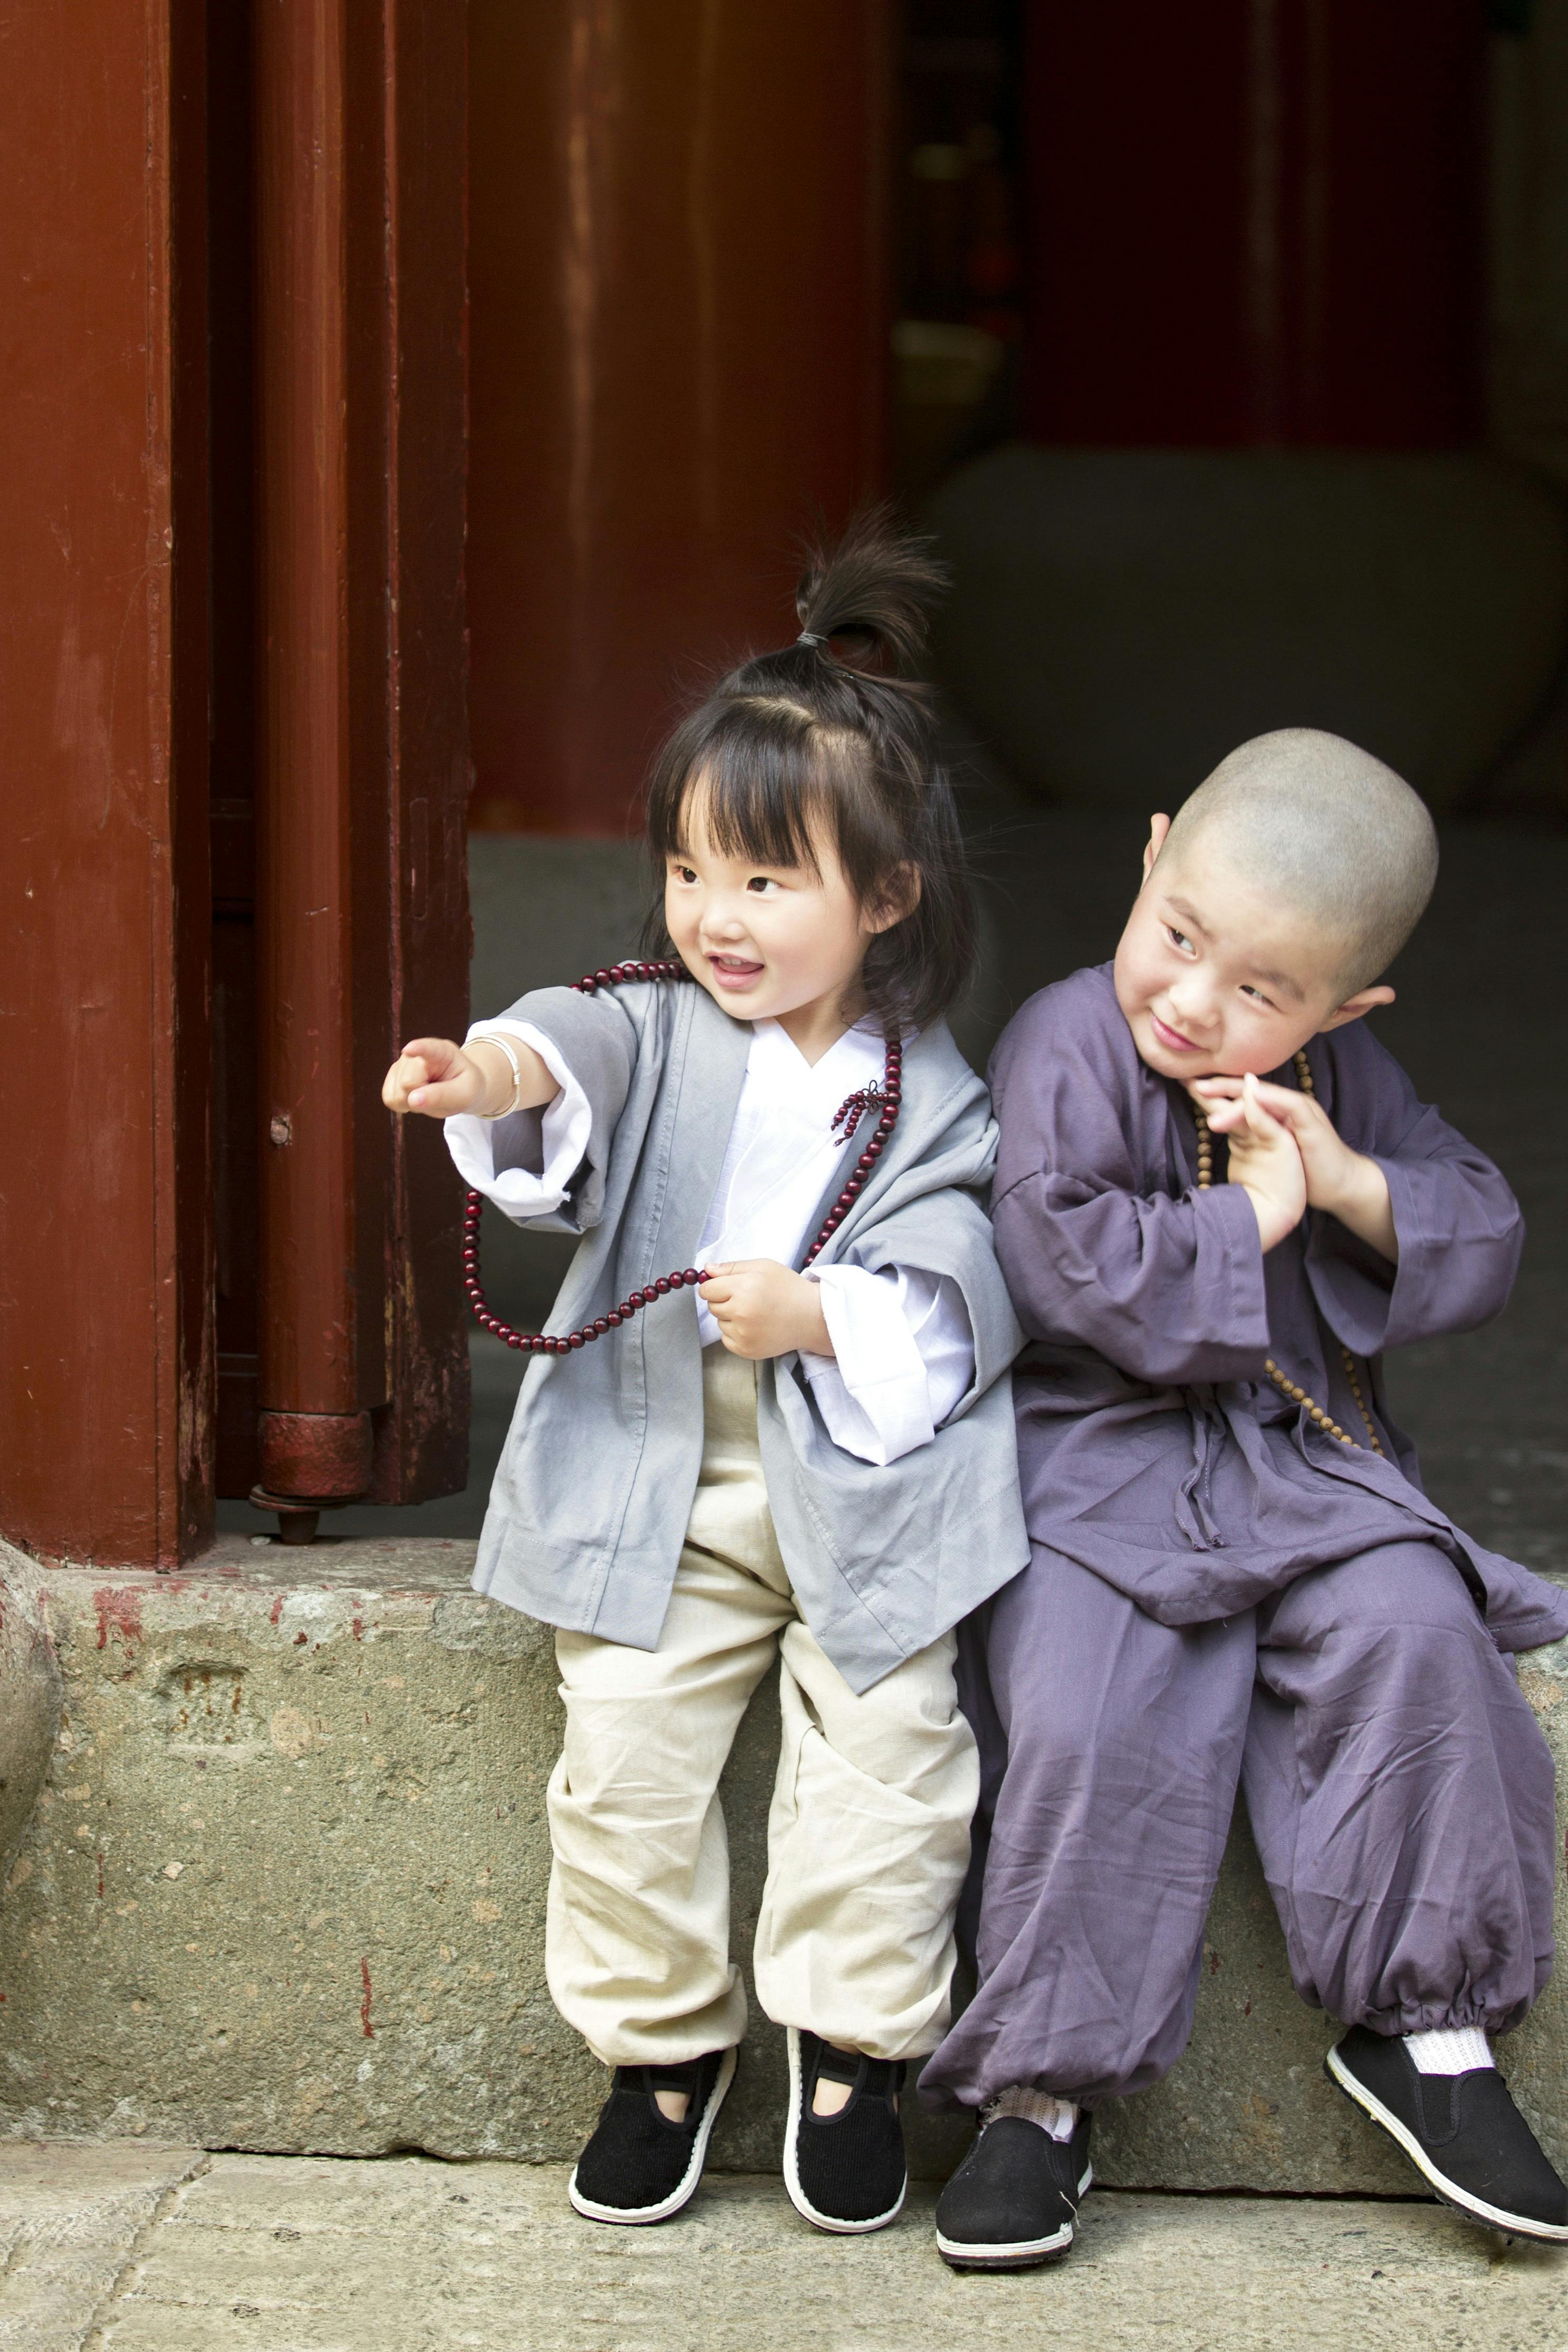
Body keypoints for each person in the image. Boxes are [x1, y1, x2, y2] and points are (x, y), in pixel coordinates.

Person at [383, 516, 1028, 2236]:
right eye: (688, 872)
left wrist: (823, 1319)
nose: (712, 920)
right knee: (624, 1753)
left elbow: (961, 1271)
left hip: (860, 1479)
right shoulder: (655, 1017)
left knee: (892, 1752)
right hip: (661, 1463)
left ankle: (852, 2043)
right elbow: (571, 1037)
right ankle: (659, 2046)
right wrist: (494, 1066)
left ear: (885, 897)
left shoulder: (934, 1095)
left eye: (764, 879)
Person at [923, 728, 1568, 2269]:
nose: (1193, 1001)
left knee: (1416, 1633)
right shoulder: (1065, 1039)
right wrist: (1243, 1226)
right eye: (1178, 936)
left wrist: (1343, 1180)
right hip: (1096, 1466)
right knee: (1082, 1713)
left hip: (1302, 1463)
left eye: (1261, 991)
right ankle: (1038, 2096)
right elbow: (1052, 1253)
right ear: (1148, 860)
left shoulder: (1340, 1074)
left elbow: (1476, 1214)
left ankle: (1432, 2033)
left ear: (1345, 1009)